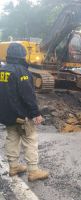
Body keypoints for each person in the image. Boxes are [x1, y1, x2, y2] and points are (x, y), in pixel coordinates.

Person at [0, 43, 49, 182]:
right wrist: (36, 113)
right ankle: (33, 171)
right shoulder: (22, 72)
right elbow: (28, 95)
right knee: (30, 139)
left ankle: (13, 167)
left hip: (7, 115)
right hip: (22, 115)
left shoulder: (2, 70)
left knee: (12, 138)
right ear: (22, 55)